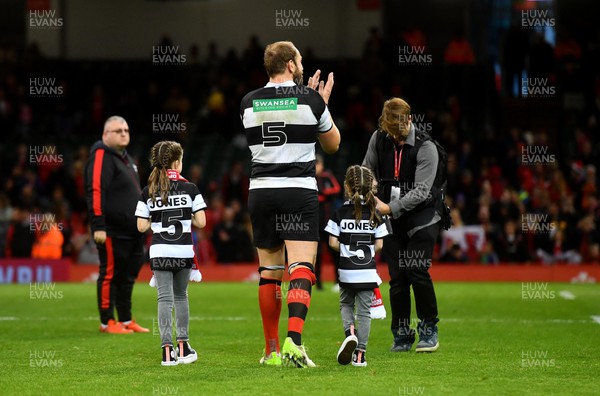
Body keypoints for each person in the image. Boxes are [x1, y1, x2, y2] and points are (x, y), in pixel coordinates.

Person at [240, 40, 341, 367]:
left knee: (269, 272)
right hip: (297, 191)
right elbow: (333, 145)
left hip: (261, 191)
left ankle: (270, 351)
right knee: (300, 267)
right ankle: (293, 343)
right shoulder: (311, 100)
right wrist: (320, 105)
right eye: (299, 60)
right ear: (292, 66)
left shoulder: (247, 102)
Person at [363, 97, 442, 353]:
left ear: (409, 119)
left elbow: (421, 191)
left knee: (417, 270)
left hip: (422, 217)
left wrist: (388, 207)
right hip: (391, 219)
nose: (395, 138)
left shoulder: (426, 147)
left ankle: (429, 329)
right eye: (390, 132)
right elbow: (367, 169)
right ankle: (401, 334)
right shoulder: (378, 138)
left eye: (398, 132)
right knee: (397, 278)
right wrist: (369, 191)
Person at [135, 141, 206, 366]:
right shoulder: (190, 188)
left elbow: (141, 227)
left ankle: (167, 352)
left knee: (164, 299)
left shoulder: (149, 191)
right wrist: (187, 216)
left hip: (159, 250)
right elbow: (202, 223)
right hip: (183, 250)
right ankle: (183, 347)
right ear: (177, 162)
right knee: (181, 296)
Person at [84, 116, 148, 334]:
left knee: (128, 276)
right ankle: (107, 322)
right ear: (105, 135)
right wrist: (98, 225)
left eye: (126, 130)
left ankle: (126, 319)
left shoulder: (126, 158)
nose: (123, 133)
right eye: (118, 130)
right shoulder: (101, 154)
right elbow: (95, 189)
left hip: (132, 231)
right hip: (112, 230)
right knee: (110, 274)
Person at [325, 165, 388, 367]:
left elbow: (332, 243)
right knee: (364, 312)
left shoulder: (339, 212)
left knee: (345, 304)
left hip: (346, 271)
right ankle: (360, 355)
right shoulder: (376, 213)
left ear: (347, 187)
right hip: (368, 272)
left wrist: (346, 251)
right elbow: (379, 245)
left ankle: (349, 332)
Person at [314, 154, 341, 290]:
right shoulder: (309, 178)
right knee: (316, 254)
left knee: (334, 251)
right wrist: (322, 195)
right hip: (315, 223)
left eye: (318, 164)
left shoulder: (327, 177)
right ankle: (317, 283)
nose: (316, 167)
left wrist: (322, 193)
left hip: (329, 222)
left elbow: (337, 189)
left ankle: (337, 281)